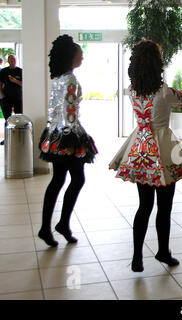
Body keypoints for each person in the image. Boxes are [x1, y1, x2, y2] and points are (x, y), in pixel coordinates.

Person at [109, 40, 182, 272]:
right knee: (164, 207)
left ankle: (137, 257)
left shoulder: (133, 90)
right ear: (156, 64)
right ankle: (163, 251)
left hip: (140, 147)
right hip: (163, 149)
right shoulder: (164, 92)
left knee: (144, 206)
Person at [37, 35, 98, 247]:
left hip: (54, 134)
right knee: (76, 179)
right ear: (72, 56)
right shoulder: (70, 80)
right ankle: (60, 224)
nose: (83, 56)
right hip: (67, 135)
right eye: (80, 54)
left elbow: (55, 110)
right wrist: (78, 135)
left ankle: (49, 227)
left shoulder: (59, 78)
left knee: (58, 180)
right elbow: (70, 115)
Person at [0, 54, 22, 145]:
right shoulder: (4, 71)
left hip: (18, 98)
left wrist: (15, 81)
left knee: (18, 119)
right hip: (6, 99)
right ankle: (7, 139)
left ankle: (18, 138)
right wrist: (2, 96)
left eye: (14, 59)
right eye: (11, 59)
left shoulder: (20, 71)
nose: (12, 61)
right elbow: (0, 84)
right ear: (8, 61)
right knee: (7, 119)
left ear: (16, 61)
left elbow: (24, 84)